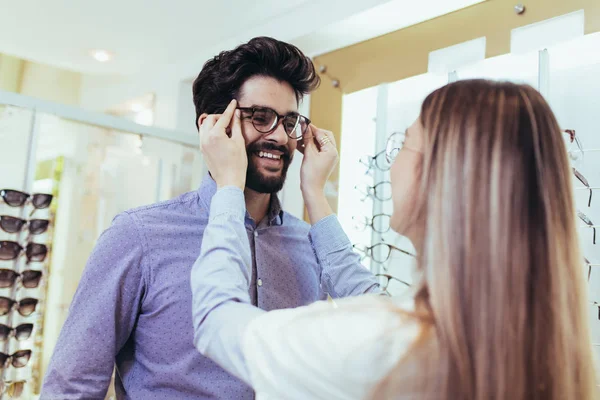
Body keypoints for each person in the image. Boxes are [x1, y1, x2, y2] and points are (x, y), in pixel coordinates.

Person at [191, 79, 598, 400]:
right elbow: (372, 301)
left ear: (439, 179)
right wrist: (314, 194)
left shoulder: (382, 345)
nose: (391, 161)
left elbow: (215, 321)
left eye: (403, 144)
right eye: (260, 116)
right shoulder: (541, 350)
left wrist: (229, 186)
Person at [41, 37, 380, 400]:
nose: (281, 137)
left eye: (290, 121)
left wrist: (316, 194)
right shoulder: (139, 236)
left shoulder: (313, 244)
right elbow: (71, 387)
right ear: (213, 126)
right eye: (261, 118)